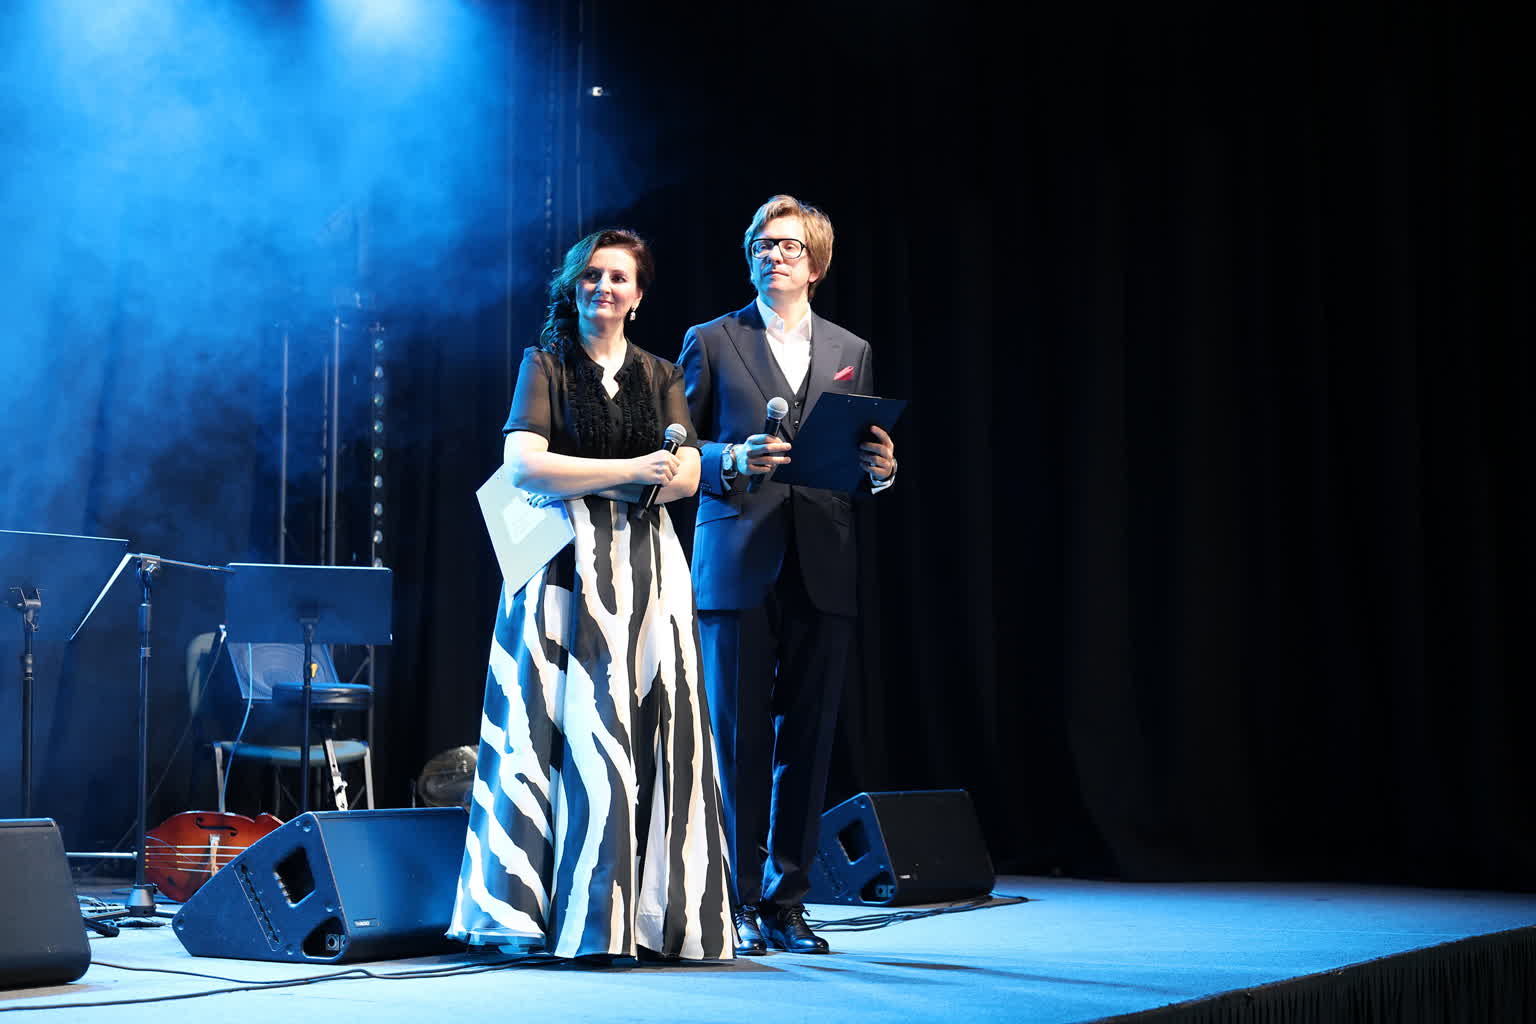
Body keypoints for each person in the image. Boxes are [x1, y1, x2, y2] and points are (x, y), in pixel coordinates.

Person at [448, 228, 734, 963]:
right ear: (573, 287)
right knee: (556, 729)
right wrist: (633, 469)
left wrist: (618, 472)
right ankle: (552, 917)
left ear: (637, 296)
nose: (604, 288)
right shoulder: (544, 364)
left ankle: (645, 921)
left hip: (648, 568)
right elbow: (524, 466)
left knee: (646, 731)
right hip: (562, 565)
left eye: (618, 278)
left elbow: (689, 476)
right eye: (592, 276)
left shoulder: (662, 373)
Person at [679, 195, 897, 955]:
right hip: (738, 557)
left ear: (817, 263)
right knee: (736, 739)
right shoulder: (713, 339)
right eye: (763, 246)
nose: (775, 256)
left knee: (808, 736)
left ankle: (786, 901)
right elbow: (678, 449)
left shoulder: (850, 347)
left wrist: (880, 470)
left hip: (823, 560)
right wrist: (728, 459)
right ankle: (734, 899)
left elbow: (857, 456)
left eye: (790, 247)